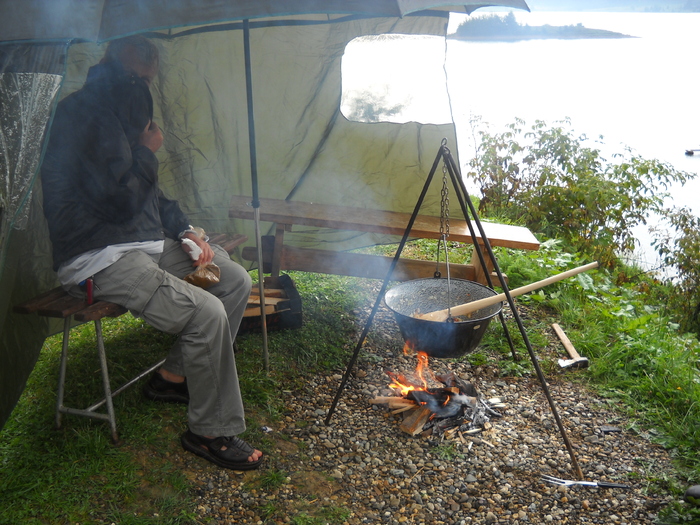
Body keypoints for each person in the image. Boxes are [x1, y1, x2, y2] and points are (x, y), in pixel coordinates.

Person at [40, 35, 262, 470]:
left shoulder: (121, 111)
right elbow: (119, 201)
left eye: (146, 79)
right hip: (96, 254)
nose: (142, 86)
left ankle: (170, 378)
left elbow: (148, 195)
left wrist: (186, 231)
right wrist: (146, 151)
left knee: (232, 280)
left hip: (140, 243)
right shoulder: (80, 115)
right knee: (205, 313)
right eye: (136, 77)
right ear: (114, 66)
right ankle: (210, 431)